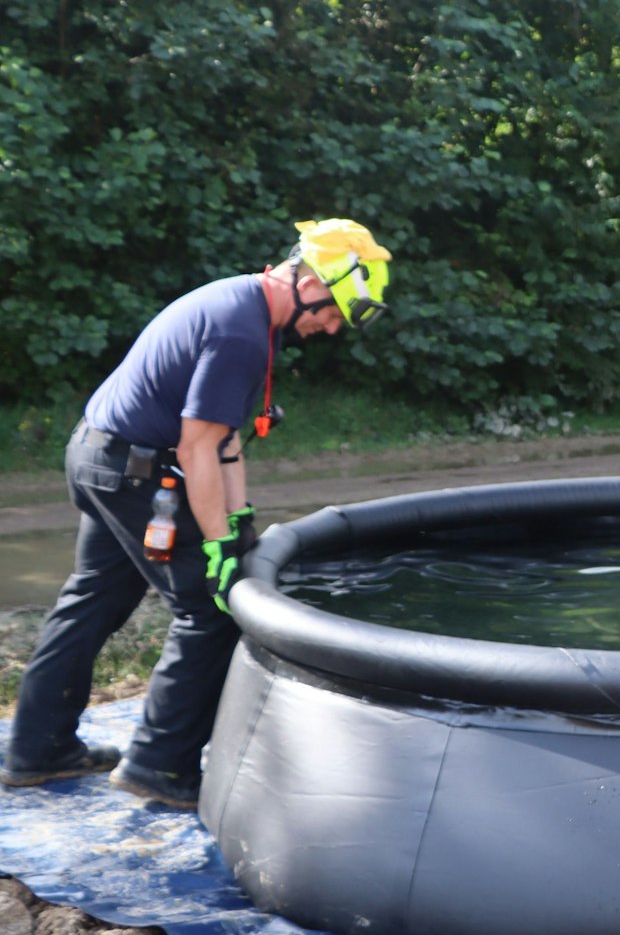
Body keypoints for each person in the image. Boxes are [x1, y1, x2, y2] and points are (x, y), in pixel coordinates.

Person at [2, 219, 392, 809]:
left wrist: (237, 523)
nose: (330, 327)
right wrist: (217, 550)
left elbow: (227, 440)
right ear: (308, 278)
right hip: (137, 472)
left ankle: (36, 751)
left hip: (101, 454)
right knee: (210, 610)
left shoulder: (247, 312)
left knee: (94, 600)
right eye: (333, 311)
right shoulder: (241, 332)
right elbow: (197, 449)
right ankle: (159, 767)